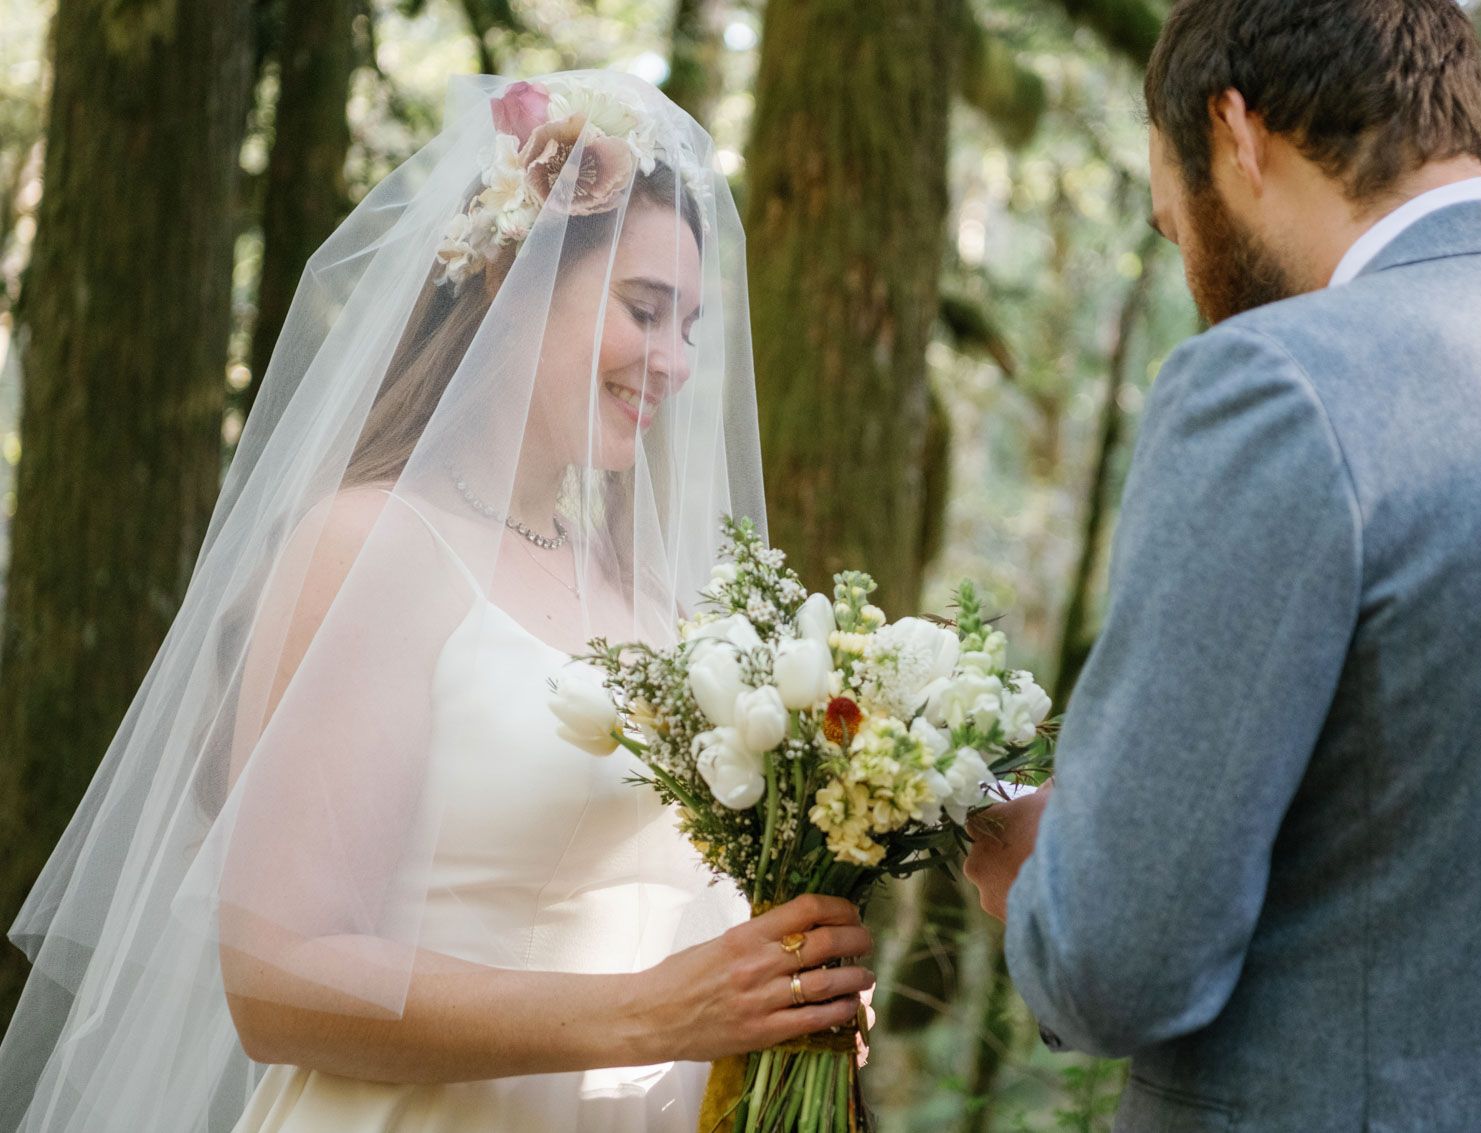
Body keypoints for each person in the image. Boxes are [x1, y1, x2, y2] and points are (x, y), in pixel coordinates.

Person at [0, 71, 871, 1132]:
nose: (676, 362)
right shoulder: (373, 547)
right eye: (643, 310)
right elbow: (275, 980)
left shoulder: (651, 602)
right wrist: (647, 1012)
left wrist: (784, 991)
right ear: (513, 280)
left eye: (689, 324)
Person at [964, 2, 1481, 1130]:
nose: (1192, 268)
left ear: (1235, 133)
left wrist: (1043, 881)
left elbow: (1117, 962)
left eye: (1174, 225)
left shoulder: (1275, 384)